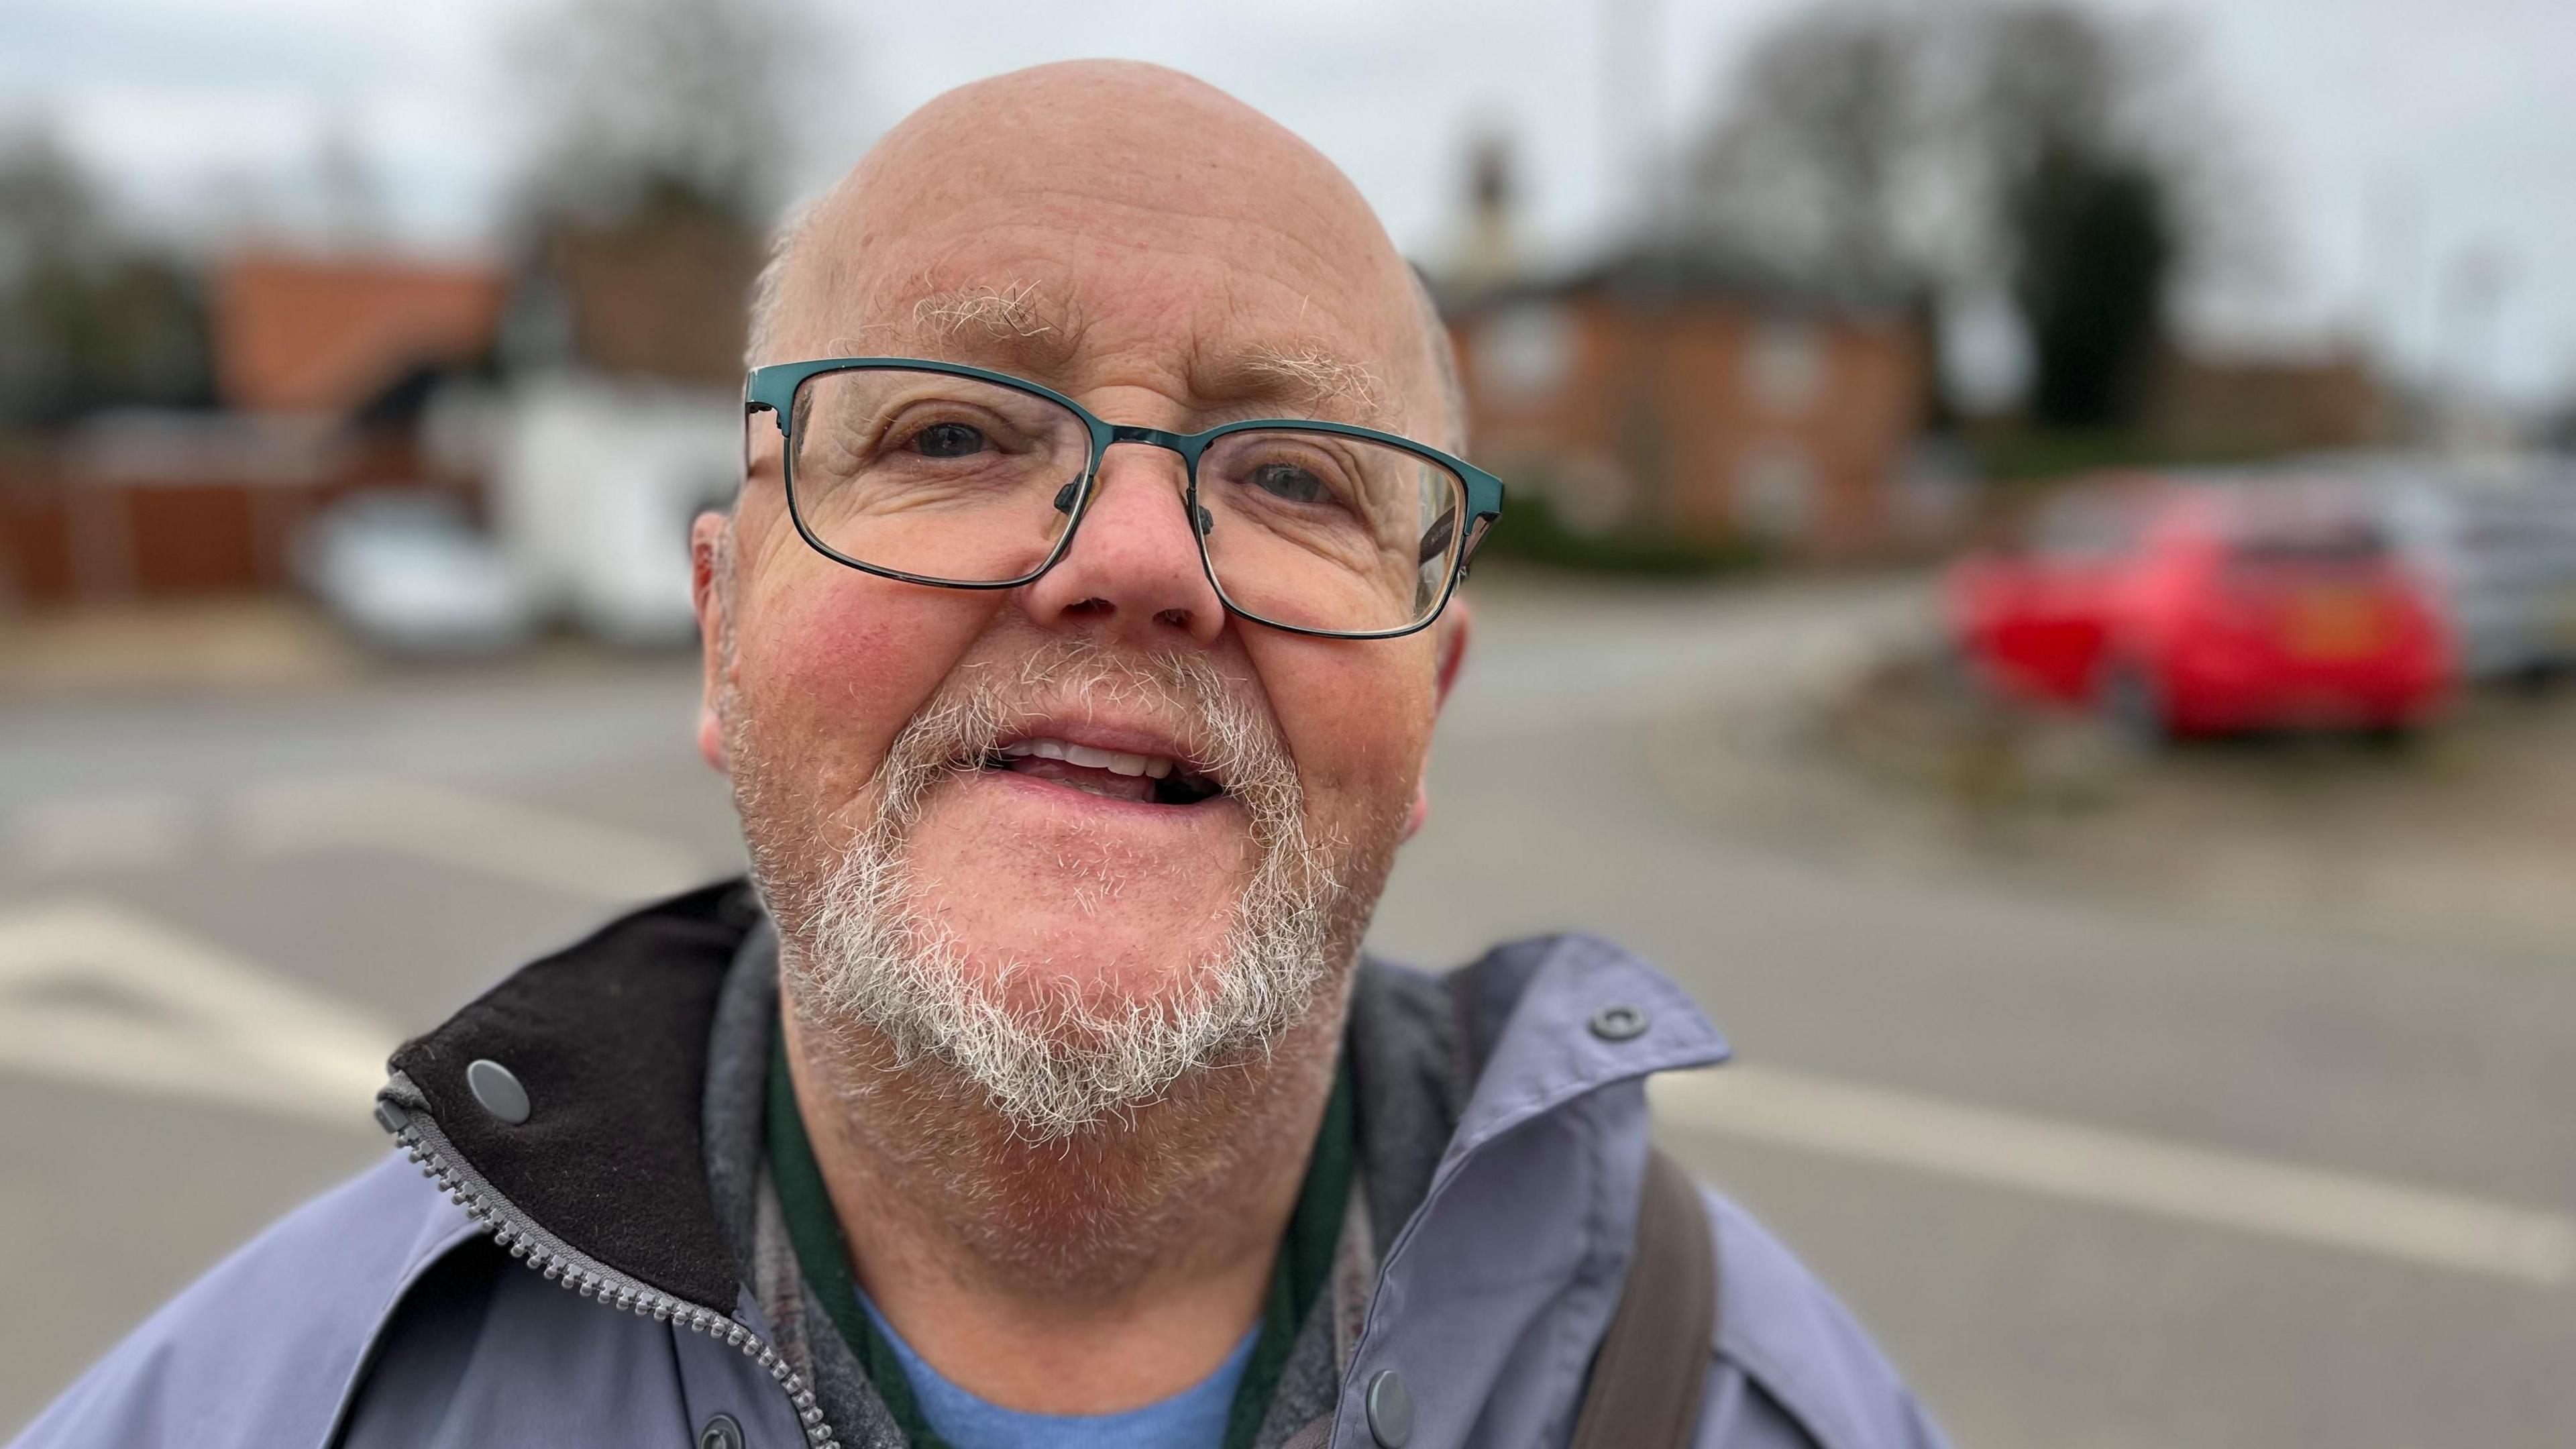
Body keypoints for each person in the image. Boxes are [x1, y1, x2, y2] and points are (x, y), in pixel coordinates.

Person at [12, 62, 1947, 1449]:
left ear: (1428, 702)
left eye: (1288, 475)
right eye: (948, 436)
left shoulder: (1749, 1398)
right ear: (721, 625)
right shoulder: (278, 1404)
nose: (1125, 559)